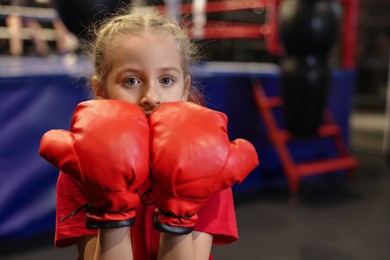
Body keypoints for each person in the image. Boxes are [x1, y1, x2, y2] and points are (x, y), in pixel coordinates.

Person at [39, 6, 259, 260]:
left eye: (166, 80)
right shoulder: (82, 163)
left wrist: (180, 211)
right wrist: (111, 205)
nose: (151, 97)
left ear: (185, 88)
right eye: (131, 80)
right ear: (99, 89)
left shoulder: (210, 159)